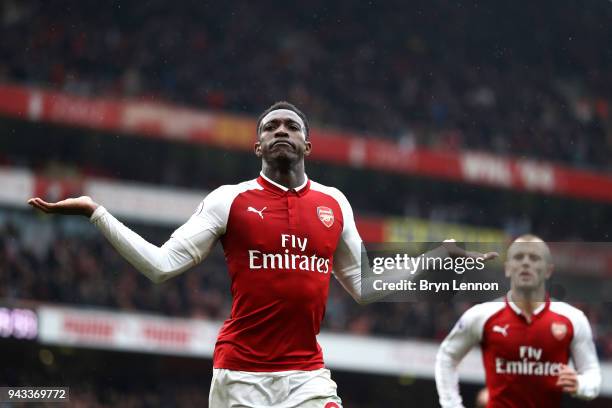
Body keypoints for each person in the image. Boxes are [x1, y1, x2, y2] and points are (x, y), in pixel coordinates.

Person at [29, 101, 495, 407]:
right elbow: (160, 266)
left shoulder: (335, 204)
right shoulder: (229, 200)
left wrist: (430, 260)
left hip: (306, 375)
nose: (280, 131)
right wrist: (96, 213)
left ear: (307, 144)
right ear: (257, 146)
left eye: (291, 126)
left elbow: (365, 287)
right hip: (239, 377)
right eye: (270, 126)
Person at [435, 234, 601, 408]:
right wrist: (452, 404)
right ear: (507, 268)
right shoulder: (481, 316)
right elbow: (447, 357)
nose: (526, 263)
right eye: (519, 257)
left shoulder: (573, 319)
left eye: (534, 258)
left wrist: (580, 385)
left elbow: (592, 375)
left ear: (548, 270)